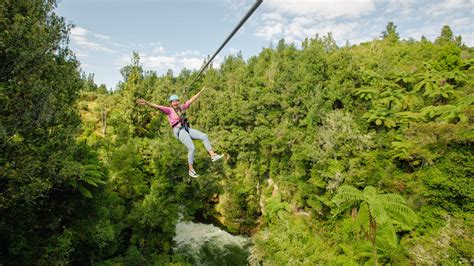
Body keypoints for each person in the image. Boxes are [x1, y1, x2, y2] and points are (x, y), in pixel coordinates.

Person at [136, 87, 223, 178]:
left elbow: (191, 99)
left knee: (204, 136)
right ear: (171, 103)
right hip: (179, 131)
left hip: (186, 128)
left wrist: (200, 92)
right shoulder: (168, 110)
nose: (175, 103)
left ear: (178, 101)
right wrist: (146, 103)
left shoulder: (182, 107)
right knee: (192, 148)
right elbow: (157, 106)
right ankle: (191, 170)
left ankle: (213, 155)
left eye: (177, 101)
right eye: (173, 102)